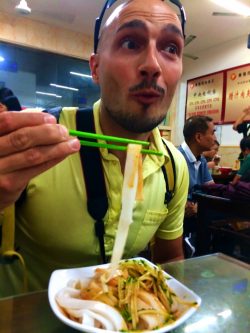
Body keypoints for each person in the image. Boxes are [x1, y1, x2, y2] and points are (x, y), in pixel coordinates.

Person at [0, 0, 189, 297]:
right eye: (130, 42)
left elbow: (171, 261)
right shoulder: (42, 138)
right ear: (96, 68)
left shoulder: (173, 166)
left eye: (170, 48)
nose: (153, 65)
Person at [178, 116, 216, 256]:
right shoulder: (176, 158)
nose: (214, 137)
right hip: (178, 221)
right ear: (199, 137)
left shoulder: (202, 160)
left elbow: (212, 189)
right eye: (212, 133)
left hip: (196, 215)